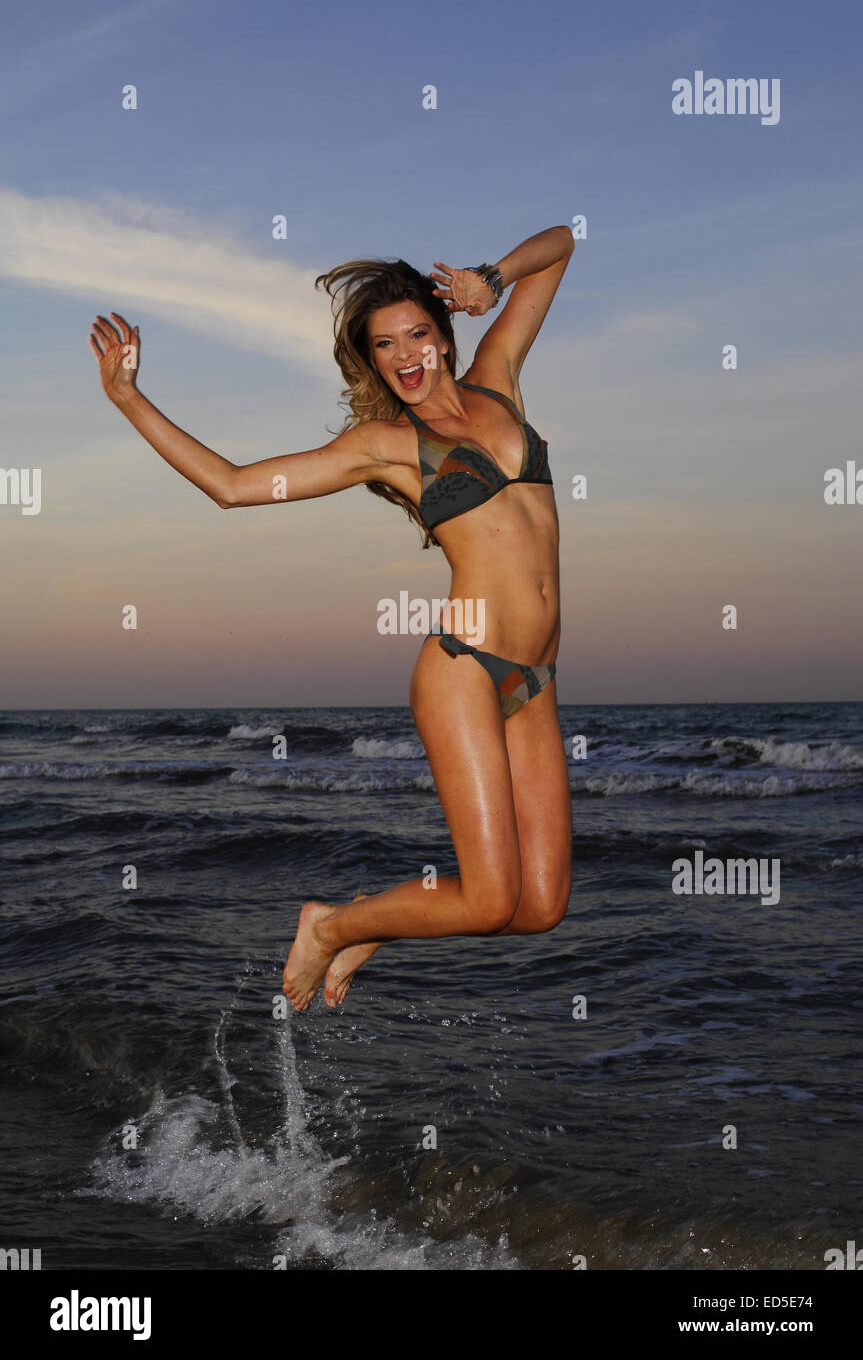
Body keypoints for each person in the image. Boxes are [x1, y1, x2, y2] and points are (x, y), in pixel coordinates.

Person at [89, 224, 575, 1013]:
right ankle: (329, 925)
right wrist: (128, 397)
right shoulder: (384, 443)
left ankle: (376, 925)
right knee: (489, 902)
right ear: (371, 361)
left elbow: (560, 247)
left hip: (537, 678)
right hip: (464, 669)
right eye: (385, 346)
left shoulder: (499, 381)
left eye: (418, 333)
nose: (406, 356)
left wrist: (493, 273)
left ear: (445, 338)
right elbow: (232, 484)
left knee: (540, 907)